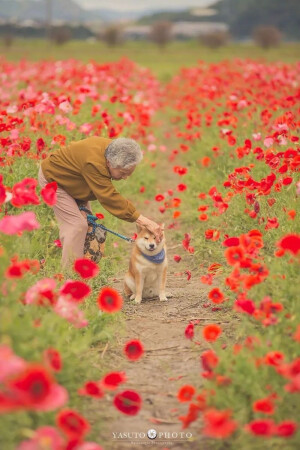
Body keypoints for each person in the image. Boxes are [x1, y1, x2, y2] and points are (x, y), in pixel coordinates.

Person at [38, 136, 163, 268]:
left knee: (88, 225)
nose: (125, 178)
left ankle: (84, 270)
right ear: (109, 163)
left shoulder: (115, 150)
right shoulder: (94, 163)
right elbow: (109, 197)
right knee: (76, 226)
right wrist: (143, 220)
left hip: (76, 182)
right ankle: (69, 277)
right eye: (123, 173)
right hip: (55, 180)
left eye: (129, 173)